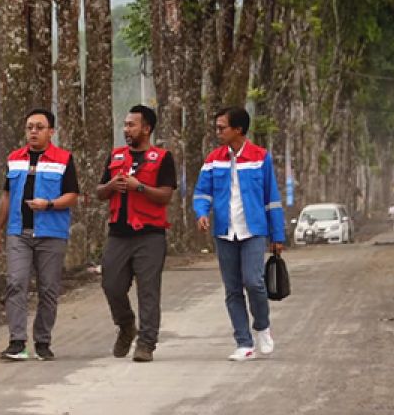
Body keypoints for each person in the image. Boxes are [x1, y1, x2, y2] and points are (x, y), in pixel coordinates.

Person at [193, 106, 286, 362]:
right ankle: (244, 343)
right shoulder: (213, 159)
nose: (218, 132)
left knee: (254, 282)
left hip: (253, 231)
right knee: (232, 289)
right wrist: (202, 212)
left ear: (239, 130)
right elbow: (202, 192)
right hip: (224, 232)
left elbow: (272, 200)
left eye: (222, 127)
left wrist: (277, 236)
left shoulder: (260, 157)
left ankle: (263, 327)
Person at [0, 109, 79, 361]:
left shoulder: (63, 159)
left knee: (48, 289)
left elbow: (73, 195)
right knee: (15, 283)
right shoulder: (14, 158)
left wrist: (48, 204)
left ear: (51, 131)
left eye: (39, 127)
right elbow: (6, 196)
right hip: (18, 233)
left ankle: (43, 341)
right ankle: (17, 342)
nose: (33, 132)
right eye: (30, 127)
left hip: (51, 233)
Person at [95, 105, 177, 363]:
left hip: (150, 234)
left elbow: (165, 195)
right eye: (125, 124)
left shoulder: (162, 157)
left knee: (148, 290)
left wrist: (139, 187)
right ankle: (126, 324)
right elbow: (99, 192)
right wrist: (111, 185)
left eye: (132, 125)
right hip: (118, 233)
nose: (126, 129)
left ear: (146, 128)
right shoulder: (115, 156)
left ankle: (146, 343)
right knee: (111, 284)